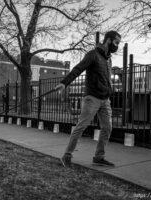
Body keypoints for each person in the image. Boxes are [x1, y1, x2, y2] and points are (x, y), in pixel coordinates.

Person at [55, 30, 121, 167]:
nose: (117, 46)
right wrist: (64, 82)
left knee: (107, 128)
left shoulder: (108, 59)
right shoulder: (93, 55)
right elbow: (78, 68)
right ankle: (67, 155)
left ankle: (99, 157)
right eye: (116, 42)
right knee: (81, 126)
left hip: (105, 100)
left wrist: (110, 88)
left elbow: (106, 78)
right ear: (108, 40)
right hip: (92, 98)